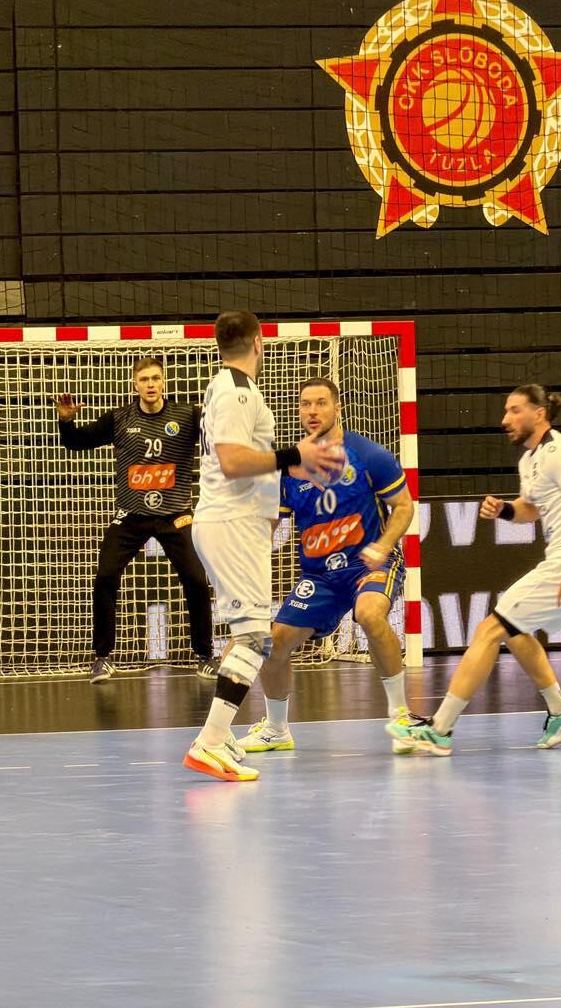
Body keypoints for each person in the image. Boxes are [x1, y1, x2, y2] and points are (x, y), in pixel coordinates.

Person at [390, 385, 561, 756]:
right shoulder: (530, 461)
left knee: (489, 629)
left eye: (514, 410)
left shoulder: (560, 452)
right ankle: (560, 711)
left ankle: (439, 730)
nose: (505, 419)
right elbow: (532, 509)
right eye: (506, 411)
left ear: (539, 414)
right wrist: (505, 510)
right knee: (513, 629)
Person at [182, 312, 344, 782]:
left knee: (249, 635)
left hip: (241, 525)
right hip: (231, 524)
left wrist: (293, 468)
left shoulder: (233, 389)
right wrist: (296, 454)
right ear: (258, 341)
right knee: (255, 639)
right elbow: (233, 462)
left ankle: (221, 737)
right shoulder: (236, 390)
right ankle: (210, 741)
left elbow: (252, 463)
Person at [237, 376, 420, 754]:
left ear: (338, 408)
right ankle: (276, 729)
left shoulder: (368, 454)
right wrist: (247, 560)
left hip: (369, 563)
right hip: (320, 576)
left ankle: (402, 716)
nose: (312, 411)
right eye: (305, 404)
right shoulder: (290, 468)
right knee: (275, 645)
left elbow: (403, 506)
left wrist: (384, 545)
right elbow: (270, 523)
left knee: (369, 614)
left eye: (321, 403)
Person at [56, 356, 213, 683]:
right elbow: (75, 442)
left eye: (155, 378)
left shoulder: (188, 415)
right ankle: (102, 658)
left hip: (175, 515)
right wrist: (66, 421)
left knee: (197, 580)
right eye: (144, 380)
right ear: (135, 384)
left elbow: (221, 438)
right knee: (105, 576)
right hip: (131, 516)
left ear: (164, 381)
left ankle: (205, 655)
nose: (150, 384)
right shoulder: (119, 418)